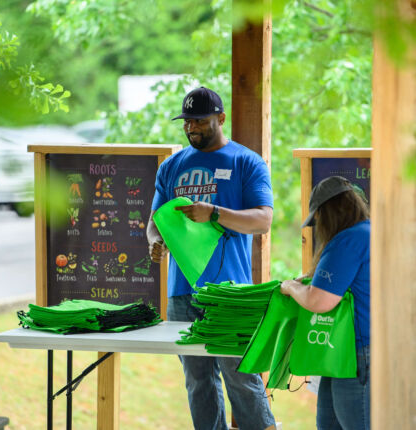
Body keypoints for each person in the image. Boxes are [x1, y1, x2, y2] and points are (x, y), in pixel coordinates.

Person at [147, 86, 276, 430]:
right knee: (198, 382)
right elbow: (155, 222)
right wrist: (155, 242)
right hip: (182, 293)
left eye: (200, 121)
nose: (192, 129)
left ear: (221, 118)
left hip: (229, 295)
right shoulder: (171, 167)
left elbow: (264, 220)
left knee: (241, 378)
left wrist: (215, 213)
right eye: (187, 122)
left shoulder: (246, 162)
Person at [281, 175, 370, 430]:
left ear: (327, 212)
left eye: (318, 217)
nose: (318, 225)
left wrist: (291, 287)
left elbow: (319, 301)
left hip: (356, 355)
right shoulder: (369, 232)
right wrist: (311, 279)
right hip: (357, 352)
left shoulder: (345, 242)